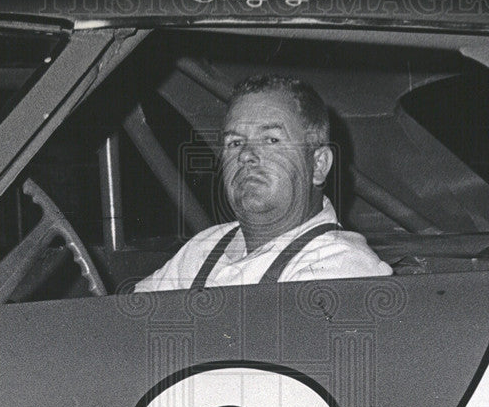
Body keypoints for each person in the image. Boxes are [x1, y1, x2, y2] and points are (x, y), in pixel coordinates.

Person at [134, 75, 391, 292]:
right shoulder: (205, 247)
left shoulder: (339, 268)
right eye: (235, 143)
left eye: (271, 140)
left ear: (319, 164)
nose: (245, 155)